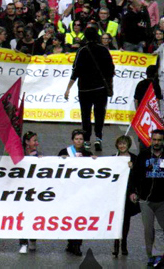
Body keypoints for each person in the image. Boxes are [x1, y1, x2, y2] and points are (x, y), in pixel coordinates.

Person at [64, 27, 114, 152]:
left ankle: (86, 141)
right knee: (99, 113)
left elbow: (75, 71)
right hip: (100, 89)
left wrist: (68, 88)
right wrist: (109, 85)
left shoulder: (82, 51)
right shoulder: (104, 50)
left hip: (84, 89)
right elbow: (110, 70)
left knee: (85, 115)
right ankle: (98, 138)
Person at [130, 129, 164, 266]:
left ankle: (159, 256)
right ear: (151, 140)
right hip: (146, 200)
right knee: (148, 230)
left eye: (159, 140)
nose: (156, 143)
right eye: (154, 140)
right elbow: (135, 175)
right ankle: (150, 255)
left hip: (162, 200)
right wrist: (133, 191)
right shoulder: (143, 155)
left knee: (161, 230)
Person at [58, 129, 93, 257]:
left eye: (81, 139)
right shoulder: (64, 152)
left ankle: (77, 244)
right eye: (77, 139)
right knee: (70, 217)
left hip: (82, 192)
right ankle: (70, 242)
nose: (79, 141)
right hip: (68, 191)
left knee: (80, 218)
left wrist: (95, 161)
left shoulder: (88, 154)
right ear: (73, 140)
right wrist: (61, 160)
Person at [113, 135, 139, 258]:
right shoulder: (113, 158)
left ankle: (124, 244)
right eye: (120, 144)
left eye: (124, 143)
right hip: (115, 193)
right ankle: (116, 244)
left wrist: (132, 168)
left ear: (128, 145)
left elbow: (139, 176)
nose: (122, 146)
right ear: (117, 145)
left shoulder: (134, 159)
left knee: (126, 220)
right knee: (116, 219)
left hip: (129, 194)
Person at [19, 131, 40, 253]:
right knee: (21, 216)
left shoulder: (39, 155)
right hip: (21, 191)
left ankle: (32, 239)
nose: (37, 143)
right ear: (27, 142)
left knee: (33, 215)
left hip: (34, 192)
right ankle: (22, 243)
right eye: (34, 140)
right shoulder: (18, 154)